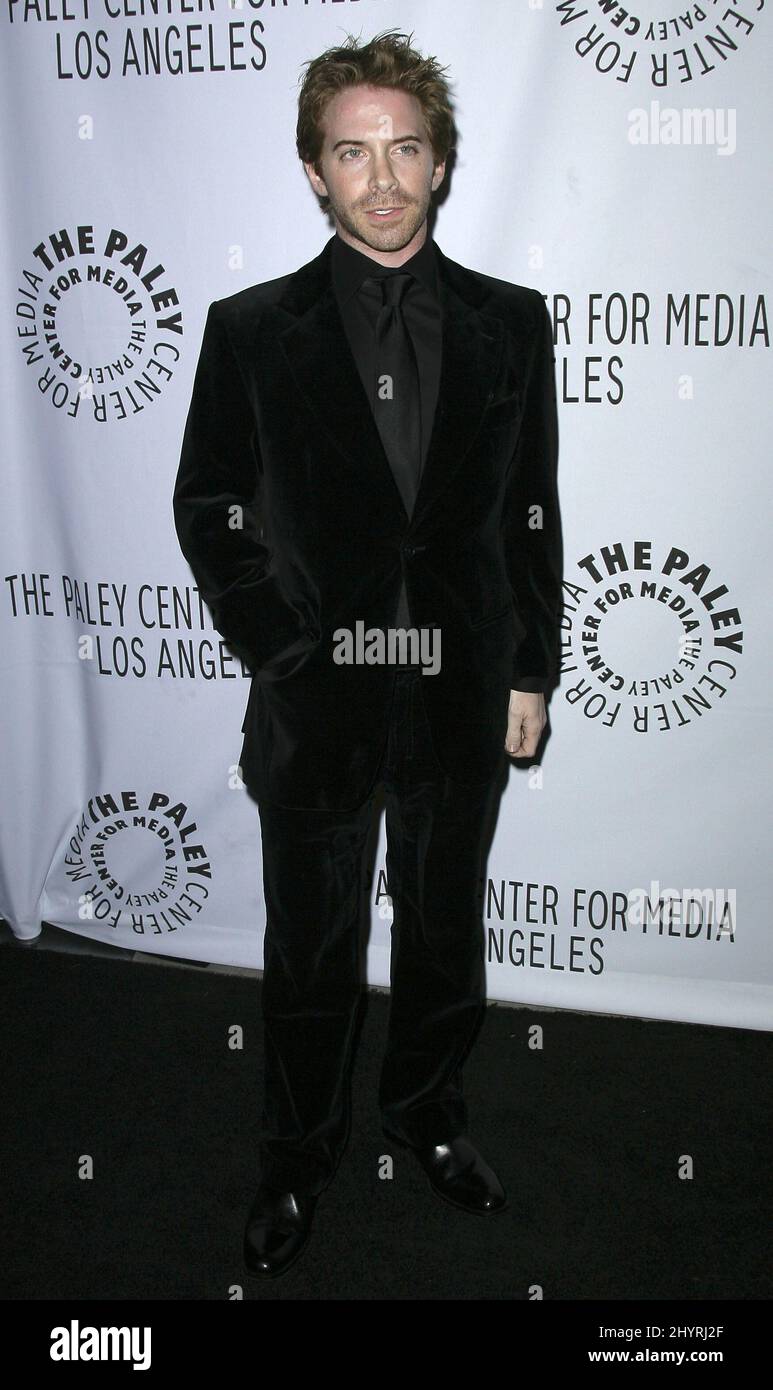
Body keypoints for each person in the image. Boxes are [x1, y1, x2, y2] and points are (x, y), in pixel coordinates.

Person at [173, 28, 563, 1279]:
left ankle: (427, 1115)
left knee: (444, 930)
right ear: (312, 170)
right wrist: (281, 649)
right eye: (354, 151)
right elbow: (211, 505)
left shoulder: (512, 326)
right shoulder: (246, 331)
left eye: (404, 149)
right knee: (310, 947)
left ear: (441, 163)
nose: (381, 176)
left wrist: (528, 668)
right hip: (316, 704)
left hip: (461, 696)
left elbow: (530, 508)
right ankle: (296, 1156)